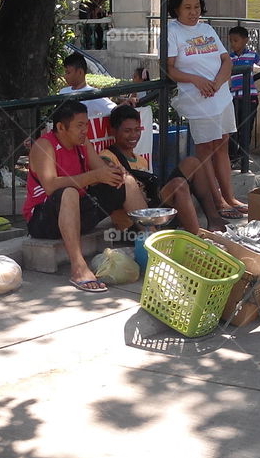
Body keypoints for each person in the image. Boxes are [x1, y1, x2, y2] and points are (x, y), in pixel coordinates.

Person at [23, 101, 147, 293]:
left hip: (78, 211)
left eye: (86, 125)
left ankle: (154, 242)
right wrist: (95, 176)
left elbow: (100, 170)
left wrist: (114, 173)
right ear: (61, 127)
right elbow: (50, 186)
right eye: (80, 126)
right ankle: (78, 267)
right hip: (43, 219)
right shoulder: (44, 146)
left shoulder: (83, 143)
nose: (85, 130)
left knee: (127, 182)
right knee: (69, 192)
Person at [165, 0, 247, 221]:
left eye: (197, 7)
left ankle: (230, 197)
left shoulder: (207, 29)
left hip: (220, 96)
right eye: (187, 7)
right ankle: (217, 201)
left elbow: (226, 61)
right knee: (206, 149)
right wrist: (197, 80)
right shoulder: (172, 31)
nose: (193, 12)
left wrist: (219, 82)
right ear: (176, 9)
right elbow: (170, 69)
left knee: (222, 144)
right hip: (197, 99)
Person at [100, 105, 224, 234]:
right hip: (134, 220)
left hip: (153, 207)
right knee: (178, 185)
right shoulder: (107, 156)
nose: (134, 135)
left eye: (137, 130)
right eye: (127, 131)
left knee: (192, 163)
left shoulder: (140, 160)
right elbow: (104, 166)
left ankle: (214, 219)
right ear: (113, 131)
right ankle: (196, 237)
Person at [227, 25, 260, 168]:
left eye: (235, 40)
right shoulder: (229, 57)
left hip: (249, 97)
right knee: (233, 128)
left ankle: (243, 157)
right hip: (234, 97)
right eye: (231, 41)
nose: (233, 44)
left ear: (245, 40)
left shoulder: (252, 55)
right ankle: (232, 156)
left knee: (246, 128)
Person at [58, 53, 116, 118]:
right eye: (65, 73)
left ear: (80, 72)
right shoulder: (63, 92)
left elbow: (114, 109)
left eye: (68, 72)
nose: (65, 76)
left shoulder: (94, 95)